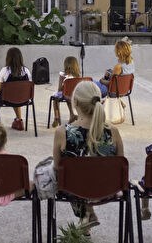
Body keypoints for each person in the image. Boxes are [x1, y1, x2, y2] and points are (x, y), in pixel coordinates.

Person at [52, 81, 124, 234]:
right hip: (107, 189)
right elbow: (120, 166)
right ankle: (87, 214)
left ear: (75, 102)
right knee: (87, 173)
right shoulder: (113, 131)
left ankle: (86, 214)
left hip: (73, 189)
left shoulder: (62, 132)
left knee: (65, 175)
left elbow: (57, 168)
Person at [0, 47, 30, 131]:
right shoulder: (26, 71)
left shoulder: (5, 70)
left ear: (8, 58)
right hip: (24, 99)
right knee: (16, 95)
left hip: (7, 99)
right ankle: (19, 121)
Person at [51, 56, 81, 127]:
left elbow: (59, 89)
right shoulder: (78, 76)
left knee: (55, 98)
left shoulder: (63, 75)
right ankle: (72, 114)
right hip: (75, 96)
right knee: (68, 96)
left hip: (66, 95)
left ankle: (56, 117)